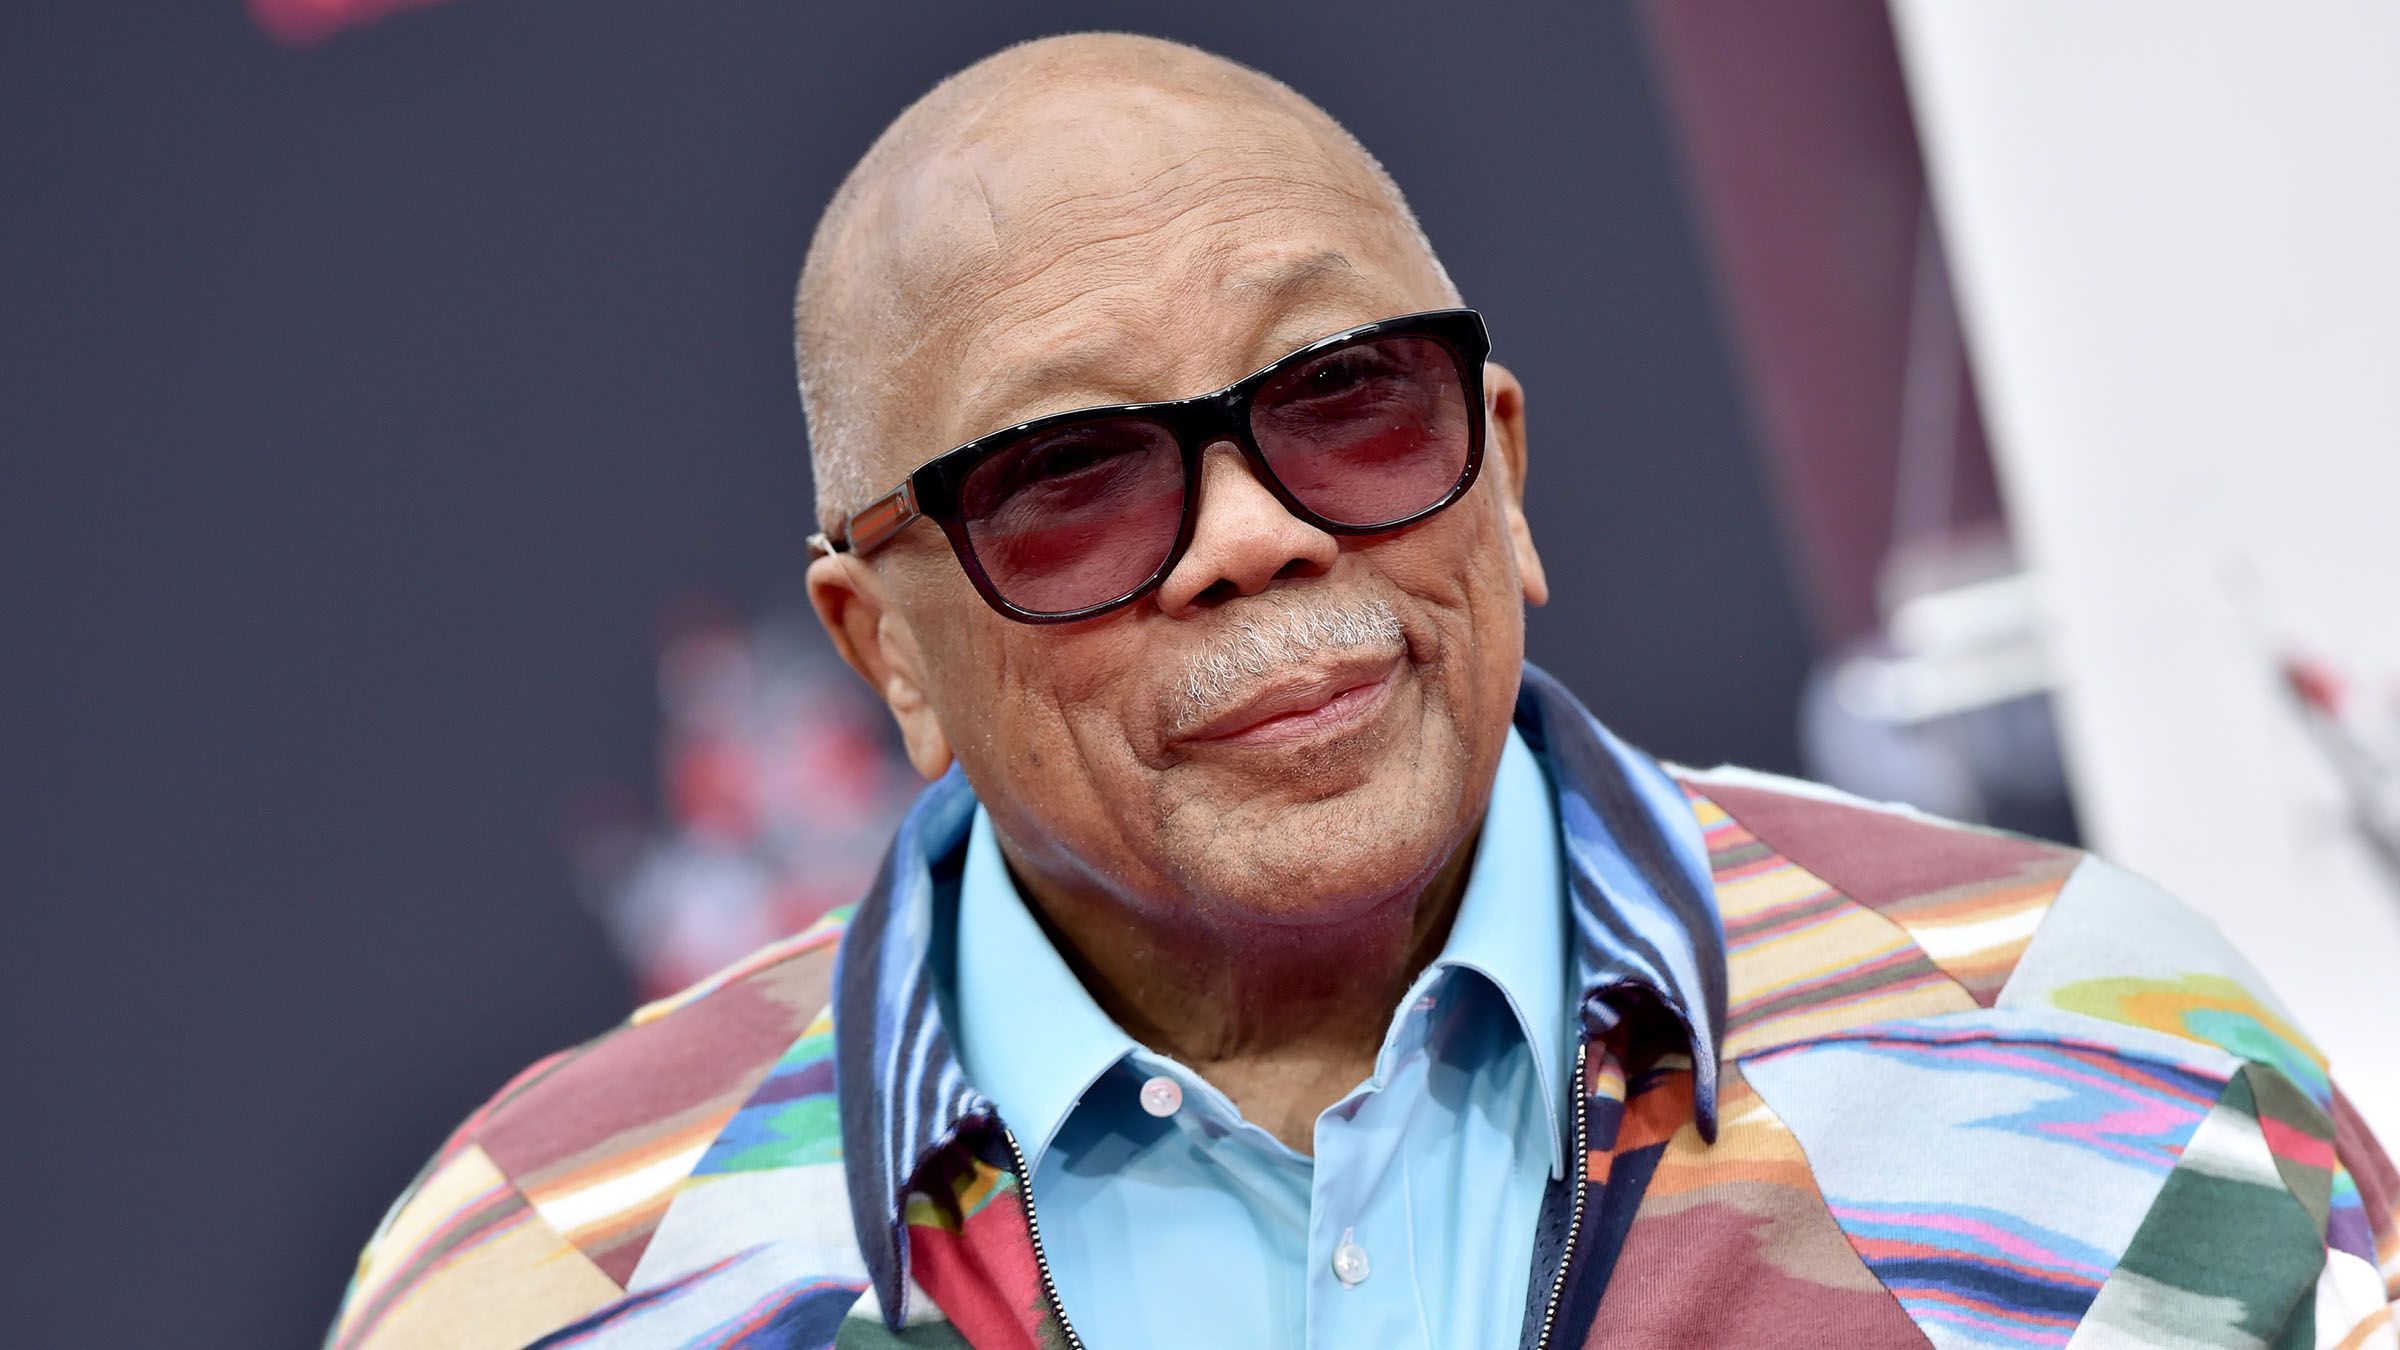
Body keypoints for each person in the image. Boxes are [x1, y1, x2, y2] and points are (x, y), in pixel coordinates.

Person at [328, 32, 2399, 1350]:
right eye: (1072, 483)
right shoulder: (556, 1279)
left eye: (1350, 403)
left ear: (1502, 471)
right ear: (888, 649)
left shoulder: (2086, 1060)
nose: (1252, 536)